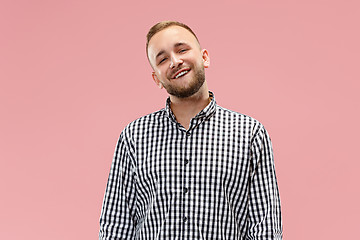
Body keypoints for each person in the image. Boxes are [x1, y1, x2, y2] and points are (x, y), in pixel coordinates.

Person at [99, 21, 282, 240]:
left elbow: (265, 228)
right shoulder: (134, 137)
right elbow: (116, 226)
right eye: (163, 59)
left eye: (182, 49)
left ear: (204, 57)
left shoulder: (249, 133)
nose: (175, 61)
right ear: (156, 78)